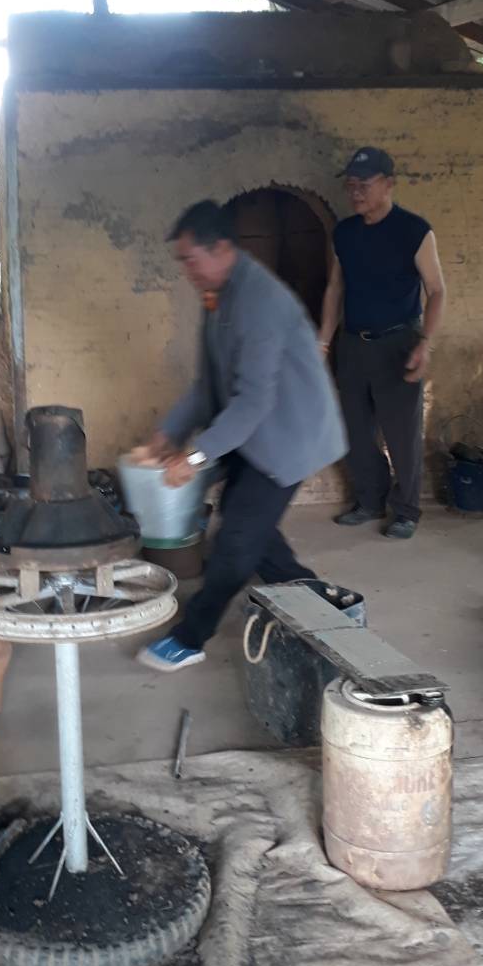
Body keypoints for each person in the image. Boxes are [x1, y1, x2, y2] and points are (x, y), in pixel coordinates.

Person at [137, 199, 347, 673]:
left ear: (222, 248)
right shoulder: (218, 295)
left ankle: (191, 636)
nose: (186, 270)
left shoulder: (260, 302)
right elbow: (207, 383)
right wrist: (167, 432)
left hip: (287, 436)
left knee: (234, 543)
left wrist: (192, 457)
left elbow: (253, 402)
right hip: (252, 431)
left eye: (191, 259)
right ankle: (318, 597)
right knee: (244, 523)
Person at [320, 146, 446, 541]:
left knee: (401, 434)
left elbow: (437, 290)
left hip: (399, 344)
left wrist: (426, 342)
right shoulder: (344, 233)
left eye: (365, 184)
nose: (356, 192)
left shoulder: (414, 231)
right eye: (350, 185)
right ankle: (370, 500)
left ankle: (406, 509)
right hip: (354, 345)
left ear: (388, 184)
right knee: (356, 430)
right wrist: (323, 342)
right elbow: (335, 287)